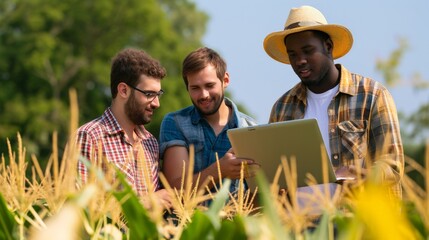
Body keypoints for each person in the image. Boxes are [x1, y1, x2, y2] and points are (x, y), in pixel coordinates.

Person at [263, 5, 404, 200]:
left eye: (307, 51)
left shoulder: (372, 95)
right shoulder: (283, 106)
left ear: (328, 47)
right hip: (298, 226)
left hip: (356, 222)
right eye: (293, 54)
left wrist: (368, 177)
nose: (300, 60)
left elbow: (392, 163)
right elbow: (275, 172)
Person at [76, 48, 171, 209]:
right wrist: (146, 203)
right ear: (124, 90)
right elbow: (79, 205)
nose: (156, 103)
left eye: (158, 94)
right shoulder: (89, 136)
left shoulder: (151, 143)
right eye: (149, 94)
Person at [159, 47, 258, 196]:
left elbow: (258, 195)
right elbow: (175, 190)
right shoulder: (175, 122)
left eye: (209, 86)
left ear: (225, 80)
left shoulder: (251, 128)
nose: (204, 95)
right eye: (195, 88)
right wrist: (220, 169)